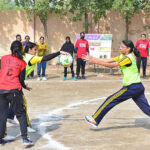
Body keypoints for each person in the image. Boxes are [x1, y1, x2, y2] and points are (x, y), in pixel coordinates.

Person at [6, 42, 68, 138]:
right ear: (29, 49)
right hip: (14, 83)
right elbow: (45, 58)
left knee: (17, 102)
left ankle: (10, 116)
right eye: (35, 50)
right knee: (22, 104)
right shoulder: (31, 58)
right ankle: (23, 126)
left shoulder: (22, 55)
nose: (36, 52)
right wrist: (59, 52)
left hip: (10, 81)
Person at [83, 40, 150, 128]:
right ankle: (95, 119)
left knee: (110, 99)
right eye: (120, 46)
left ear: (128, 49)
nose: (120, 48)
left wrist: (94, 61)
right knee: (146, 109)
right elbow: (108, 60)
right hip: (138, 87)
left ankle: (95, 119)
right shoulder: (123, 56)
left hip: (131, 87)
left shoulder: (128, 58)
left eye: (122, 47)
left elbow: (112, 65)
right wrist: (93, 59)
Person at [0, 41, 33, 146]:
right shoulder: (22, 62)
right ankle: (25, 139)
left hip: (1, 90)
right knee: (21, 114)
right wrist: (25, 87)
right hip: (14, 90)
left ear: (11, 48)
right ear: (21, 49)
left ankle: (0, 139)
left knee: (2, 116)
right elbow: (21, 80)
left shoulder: (3, 58)